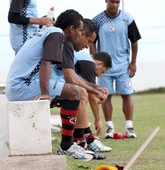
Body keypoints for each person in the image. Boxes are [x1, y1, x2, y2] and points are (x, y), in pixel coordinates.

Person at [5, 9, 106, 161]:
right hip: (21, 85)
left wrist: (95, 89)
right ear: (71, 29)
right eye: (79, 31)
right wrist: (45, 93)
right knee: (74, 92)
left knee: (75, 92)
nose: (80, 34)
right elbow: (46, 63)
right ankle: (67, 146)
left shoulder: (53, 33)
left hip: (21, 84)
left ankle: (75, 142)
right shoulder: (56, 34)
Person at [51, 19, 112, 155]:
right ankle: (84, 140)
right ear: (100, 64)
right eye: (89, 41)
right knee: (83, 94)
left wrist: (96, 90)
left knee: (82, 93)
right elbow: (92, 97)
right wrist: (98, 120)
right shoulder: (88, 62)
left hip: (55, 83)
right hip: (50, 85)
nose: (87, 46)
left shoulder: (81, 56)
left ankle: (84, 138)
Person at [90, 0, 142, 139]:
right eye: (112, 1)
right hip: (103, 67)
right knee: (106, 96)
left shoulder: (127, 19)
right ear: (106, 0)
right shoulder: (97, 20)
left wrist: (133, 62)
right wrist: (94, 59)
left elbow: (134, 41)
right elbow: (91, 42)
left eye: (117, 2)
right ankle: (110, 127)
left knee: (126, 94)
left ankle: (129, 126)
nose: (114, 4)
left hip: (123, 65)